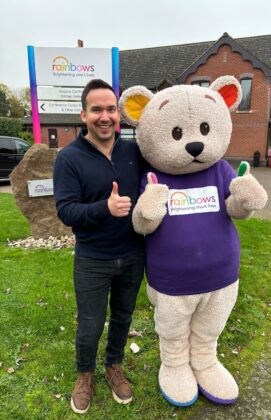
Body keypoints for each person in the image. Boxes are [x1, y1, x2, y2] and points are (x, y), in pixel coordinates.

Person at [53, 79, 145, 414]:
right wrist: (103, 208)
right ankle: (85, 375)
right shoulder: (69, 158)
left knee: (122, 316)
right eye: (97, 110)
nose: (104, 116)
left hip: (134, 253)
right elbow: (66, 211)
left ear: (118, 114)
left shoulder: (134, 151)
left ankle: (114, 366)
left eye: (110, 109)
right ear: (83, 115)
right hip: (93, 258)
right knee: (91, 323)